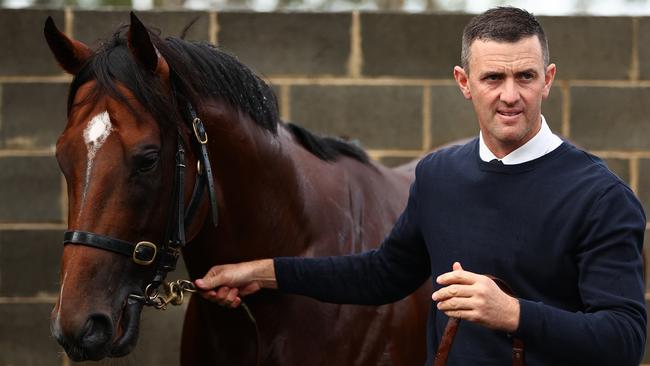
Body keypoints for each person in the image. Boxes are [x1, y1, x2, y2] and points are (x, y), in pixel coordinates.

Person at [194, 7, 647, 365]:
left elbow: (625, 340)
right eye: (493, 78)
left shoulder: (600, 196)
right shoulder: (440, 175)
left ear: (547, 79)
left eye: (525, 77)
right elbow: (381, 274)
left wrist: (513, 314)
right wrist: (261, 273)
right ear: (464, 82)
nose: (510, 95)